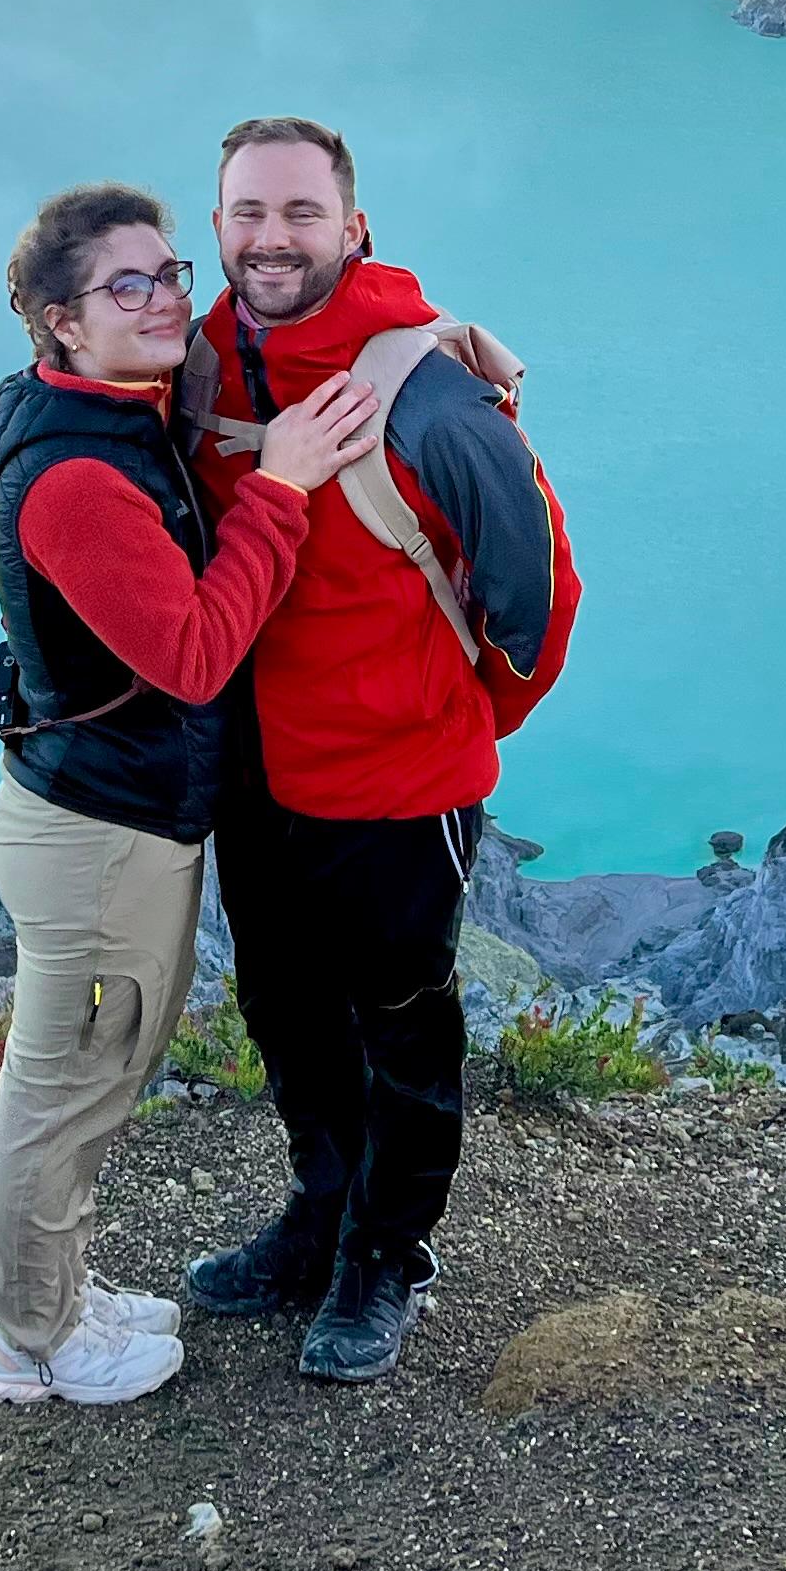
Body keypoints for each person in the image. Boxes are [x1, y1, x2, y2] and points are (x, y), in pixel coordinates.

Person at [0, 180, 382, 1407]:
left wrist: (440, 340)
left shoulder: (107, 410)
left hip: (114, 815)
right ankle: (31, 1336)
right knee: (65, 1086)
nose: (165, 303)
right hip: (101, 837)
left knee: (97, 1069)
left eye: (170, 273)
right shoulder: (78, 480)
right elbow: (193, 656)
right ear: (62, 323)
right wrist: (283, 489)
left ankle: (49, 1291)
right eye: (127, 286)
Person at [180, 115, 578, 1384]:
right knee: (285, 1008)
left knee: (403, 1027)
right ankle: (322, 1215)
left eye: (301, 213)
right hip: (259, 779)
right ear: (218, 227)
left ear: (353, 229)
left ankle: (387, 1257)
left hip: (401, 786)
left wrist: (453, 724)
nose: (272, 238)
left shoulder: (426, 396)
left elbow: (536, 593)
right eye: (248, 213)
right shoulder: (205, 365)